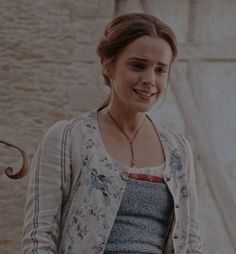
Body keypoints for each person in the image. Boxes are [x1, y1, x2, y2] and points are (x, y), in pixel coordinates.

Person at [22, 13, 203, 254]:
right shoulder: (67, 138)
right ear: (107, 64)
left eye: (161, 70)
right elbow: (38, 239)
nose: (150, 79)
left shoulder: (178, 149)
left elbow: (190, 243)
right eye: (138, 65)